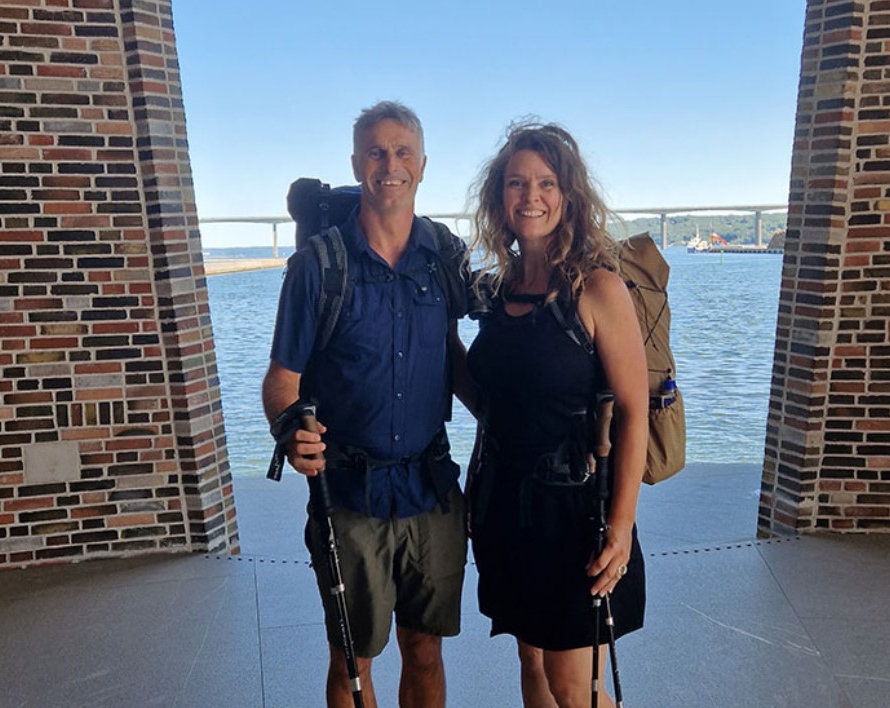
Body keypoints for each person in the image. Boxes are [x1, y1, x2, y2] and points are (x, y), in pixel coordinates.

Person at [262, 100, 471, 708]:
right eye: (376, 152)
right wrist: (290, 430)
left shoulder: (444, 257)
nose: (390, 164)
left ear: (423, 165)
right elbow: (281, 380)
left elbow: (455, 354)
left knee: (426, 649)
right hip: (350, 497)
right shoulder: (317, 267)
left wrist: (517, 420)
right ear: (357, 164)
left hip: (431, 490)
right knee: (353, 658)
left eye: (403, 151)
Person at [465, 121, 648, 708]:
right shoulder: (499, 291)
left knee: (573, 684)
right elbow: (496, 401)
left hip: (576, 510)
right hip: (506, 505)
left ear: (568, 195)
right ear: (499, 196)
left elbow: (634, 413)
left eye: (546, 183)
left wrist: (621, 526)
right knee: (532, 660)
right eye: (516, 183)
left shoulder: (597, 289)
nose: (531, 196)